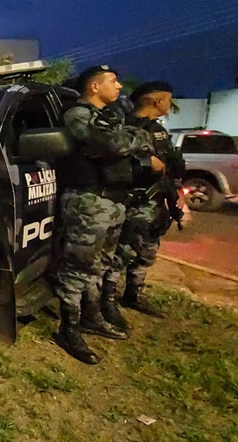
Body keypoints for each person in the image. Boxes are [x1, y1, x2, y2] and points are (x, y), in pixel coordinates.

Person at [53, 65, 163, 365]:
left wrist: (131, 140)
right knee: (78, 268)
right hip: (89, 201)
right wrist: (135, 142)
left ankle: (91, 317)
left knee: (100, 265)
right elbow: (112, 143)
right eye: (112, 82)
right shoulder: (79, 115)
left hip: (112, 201)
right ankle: (69, 329)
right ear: (94, 87)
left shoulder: (108, 117)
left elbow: (129, 140)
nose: (119, 87)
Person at [111, 82, 185, 319]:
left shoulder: (159, 130)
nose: (169, 105)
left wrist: (176, 196)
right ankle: (107, 300)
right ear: (157, 101)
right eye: (168, 99)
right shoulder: (126, 130)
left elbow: (172, 165)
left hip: (157, 202)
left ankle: (134, 294)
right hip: (135, 201)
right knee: (123, 253)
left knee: (147, 251)